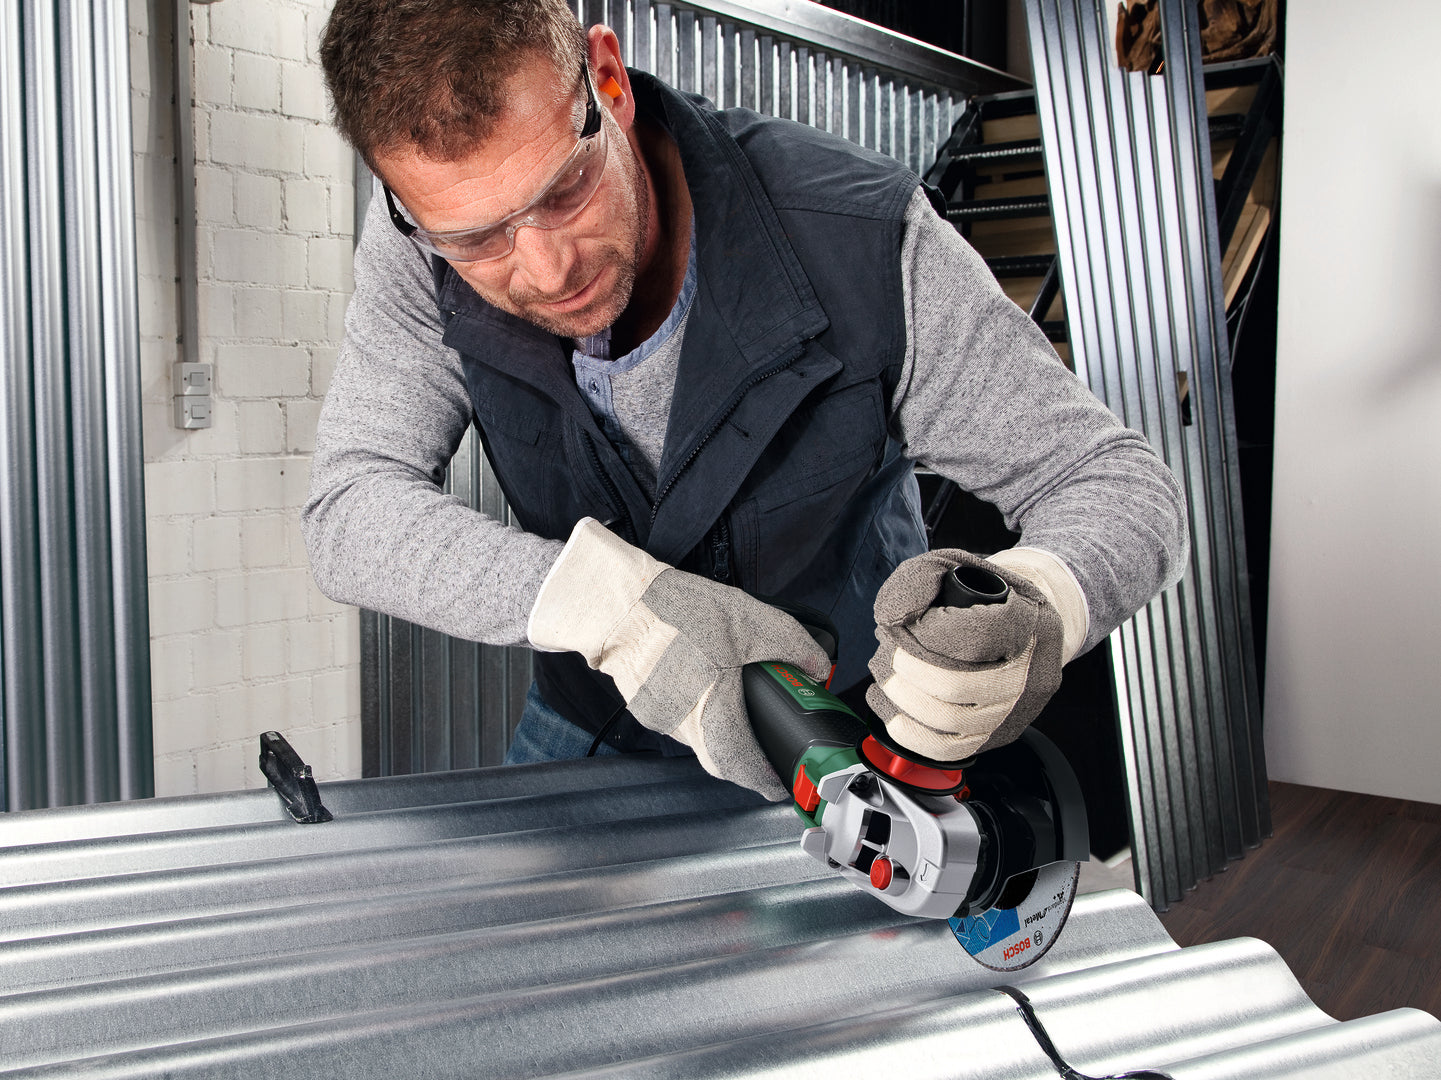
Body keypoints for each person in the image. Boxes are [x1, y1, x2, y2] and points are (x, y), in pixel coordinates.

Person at [306, 0, 1188, 801]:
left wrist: (1035, 605)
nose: (545, 269)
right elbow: (350, 511)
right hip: (595, 723)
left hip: (843, 740)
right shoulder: (420, 247)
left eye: (563, 191)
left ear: (607, 81)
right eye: (478, 239)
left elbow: (1111, 484)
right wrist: (608, 606)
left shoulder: (861, 240)